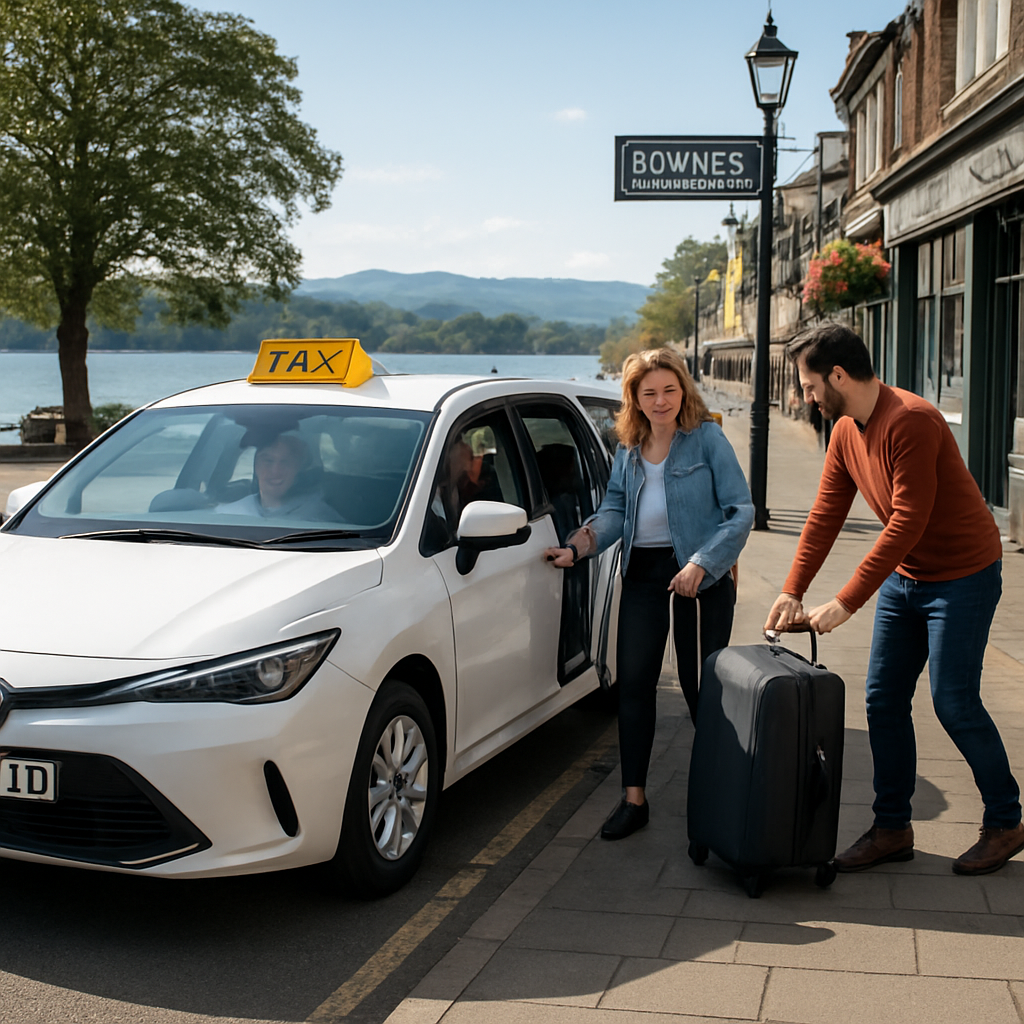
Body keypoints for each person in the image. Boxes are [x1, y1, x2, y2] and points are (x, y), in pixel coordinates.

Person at [765, 322, 1023, 876]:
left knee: (953, 702)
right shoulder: (843, 432)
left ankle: (1006, 821)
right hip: (907, 578)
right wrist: (792, 589)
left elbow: (907, 520)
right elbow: (826, 515)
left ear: (837, 375)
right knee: (882, 701)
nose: (805, 398)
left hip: (963, 574)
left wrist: (847, 600)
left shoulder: (912, 421)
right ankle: (892, 829)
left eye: (809, 386)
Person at [545, 347, 754, 840]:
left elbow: (740, 510)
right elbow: (616, 509)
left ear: (683, 389)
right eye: (649, 393)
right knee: (633, 687)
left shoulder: (707, 439)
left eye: (669, 389)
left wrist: (703, 563)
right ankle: (633, 800)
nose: (661, 401)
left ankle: (723, 798)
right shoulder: (629, 448)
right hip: (643, 573)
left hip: (699, 579)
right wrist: (580, 547)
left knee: (701, 690)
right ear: (634, 399)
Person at [217, 433, 341, 522]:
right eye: (268, 461)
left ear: (297, 469)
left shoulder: (321, 517)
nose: (275, 471)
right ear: (256, 466)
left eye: (285, 462)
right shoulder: (226, 514)